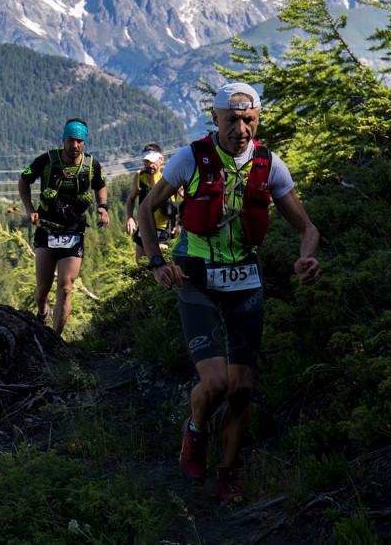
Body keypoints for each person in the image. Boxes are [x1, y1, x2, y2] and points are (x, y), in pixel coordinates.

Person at [138, 82, 319, 503]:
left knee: (241, 389)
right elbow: (146, 209)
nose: (241, 129)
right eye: (233, 119)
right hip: (196, 277)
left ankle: (228, 472)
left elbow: (308, 227)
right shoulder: (191, 159)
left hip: (245, 280)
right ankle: (196, 429)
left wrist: (307, 257)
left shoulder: (270, 165)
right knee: (216, 382)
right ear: (216, 119)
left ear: (258, 120)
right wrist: (157, 263)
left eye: (249, 120)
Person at [18, 118, 109, 334]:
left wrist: (103, 207)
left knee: (66, 287)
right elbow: (24, 180)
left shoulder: (91, 165)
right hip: (47, 228)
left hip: (74, 231)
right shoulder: (47, 160)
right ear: (63, 140)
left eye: (79, 141)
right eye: (70, 140)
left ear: (84, 142)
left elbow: (101, 187)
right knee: (43, 288)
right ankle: (42, 311)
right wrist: (30, 209)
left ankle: (55, 337)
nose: (74, 145)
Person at [124, 144, 179, 262]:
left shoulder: (169, 177)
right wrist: (129, 217)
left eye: (153, 161)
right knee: (141, 266)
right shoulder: (140, 177)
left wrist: (181, 224)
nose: (150, 165)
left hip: (164, 230)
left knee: (162, 265)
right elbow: (131, 199)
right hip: (144, 226)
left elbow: (187, 200)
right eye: (147, 161)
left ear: (161, 160)